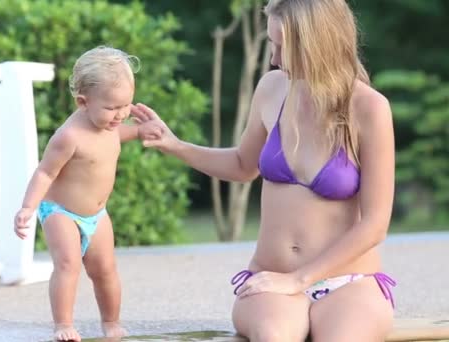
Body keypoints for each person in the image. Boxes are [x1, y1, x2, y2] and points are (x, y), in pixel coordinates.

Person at [131, 0, 397, 340]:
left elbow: (375, 225)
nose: (273, 57)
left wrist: (299, 280)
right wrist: (176, 145)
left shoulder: (369, 109)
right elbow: (243, 165)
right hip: (271, 278)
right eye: (273, 44)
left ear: (318, 43)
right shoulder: (272, 89)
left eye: (283, 46)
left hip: (350, 283)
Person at [13, 46, 160, 342]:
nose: (120, 115)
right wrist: (28, 207)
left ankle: (111, 321)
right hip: (60, 212)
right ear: (83, 102)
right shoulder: (69, 137)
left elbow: (119, 132)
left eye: (126, 105)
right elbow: (45, 173)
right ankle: (63, 325)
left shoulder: (109, 124)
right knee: (68, 266)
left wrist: (142, 131)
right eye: (111, 108)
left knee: (106, 269)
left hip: (96, 214)